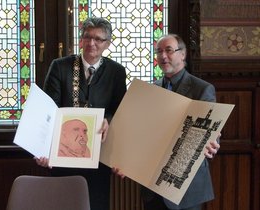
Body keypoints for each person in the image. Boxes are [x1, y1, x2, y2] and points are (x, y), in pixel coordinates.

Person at [35, 17, 127, 210]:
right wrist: (42, 149)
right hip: (63, 157)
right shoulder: (60, 66)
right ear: (81, 39)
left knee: (96, 205)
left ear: (107, 43)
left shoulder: (116, 71)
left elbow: (119, 110)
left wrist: (108, 120)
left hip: (99, 157)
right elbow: (48, 111)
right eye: (87, 37)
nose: (92, 43)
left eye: (98, 39)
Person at [140, 34, 220, 210]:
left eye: (169, 50)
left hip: (186, 187)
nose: (162, 56)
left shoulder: (202, 88)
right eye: (158, 51)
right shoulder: (150, 89)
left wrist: (212, 142)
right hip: (152, 184)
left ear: (182, 55)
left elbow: (210, 129)